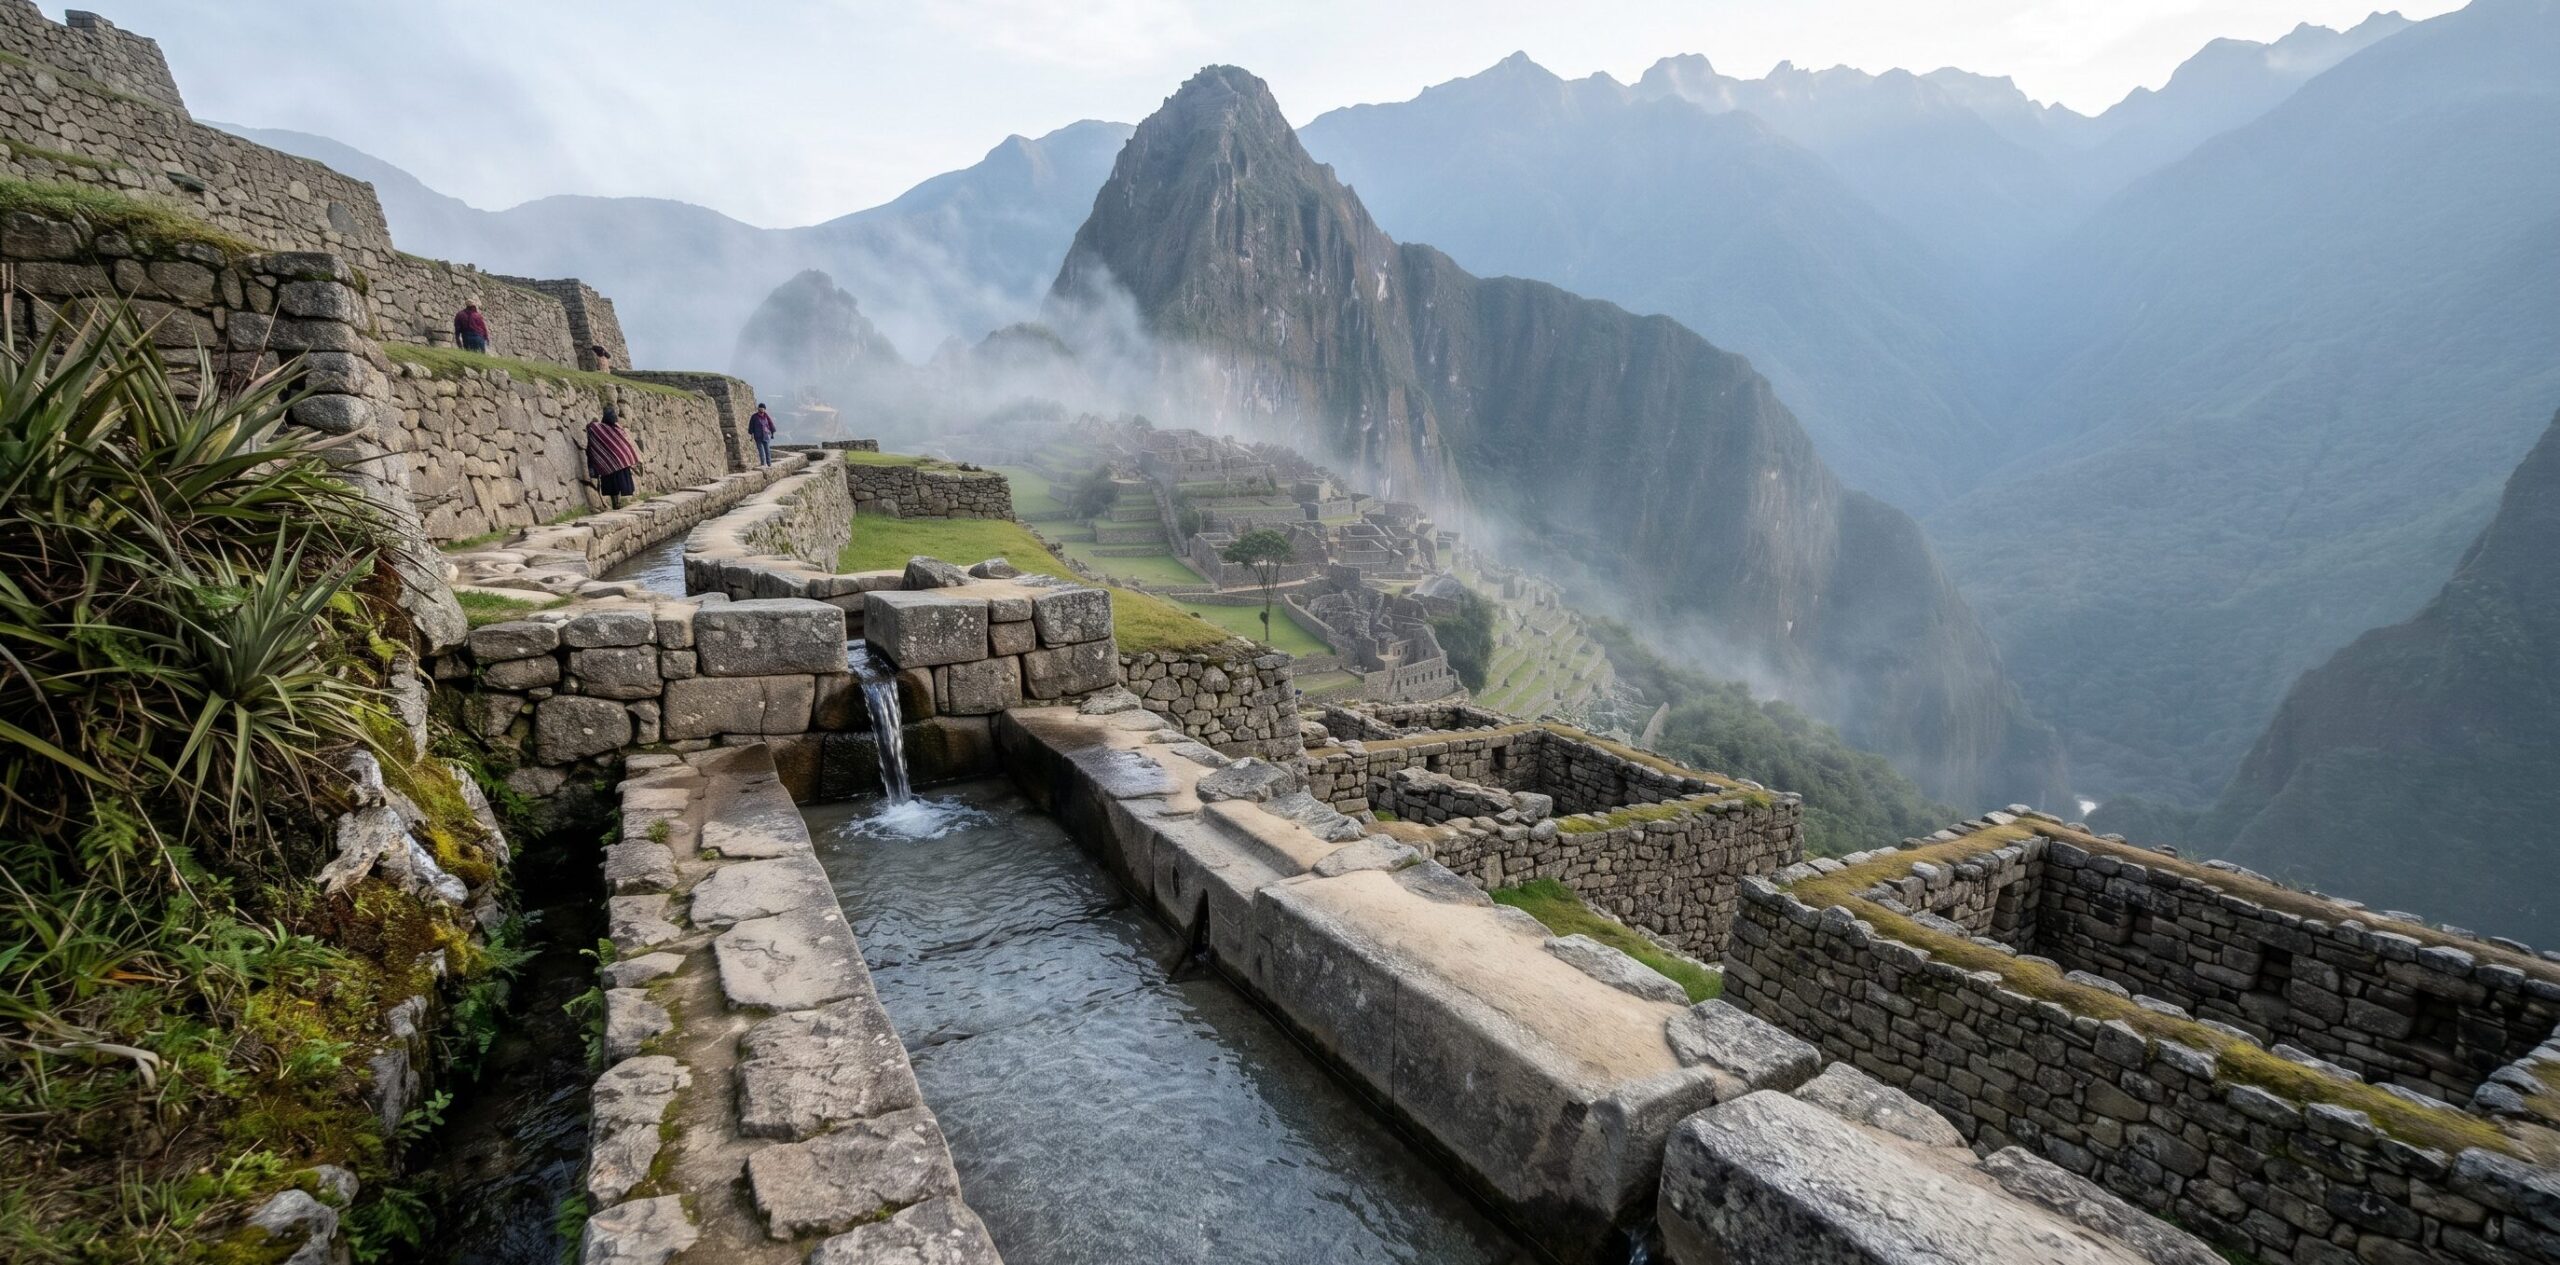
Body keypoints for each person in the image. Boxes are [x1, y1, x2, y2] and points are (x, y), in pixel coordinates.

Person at [583, 406, 641, 508]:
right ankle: (617, 502)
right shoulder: (617, 428)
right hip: (620, 462)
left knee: (612, 484)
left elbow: (590, 427)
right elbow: (625, 444)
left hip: (608, 463)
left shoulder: (598, 428)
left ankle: (616, 502)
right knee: (618, 484)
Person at [747, 403, 777, 467]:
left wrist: (772, 432)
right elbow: (751, 425)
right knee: (761, 451)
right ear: (758, 408)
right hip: (758, 436)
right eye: (760, 408)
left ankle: (769, 464)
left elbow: (770, 424)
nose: (761, 409)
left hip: (766, 435)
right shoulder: (754, 417)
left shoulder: (766, 416)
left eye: (762, 408)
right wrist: (751, 434)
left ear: (764, 409)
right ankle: (763, 463)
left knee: (767, 450)